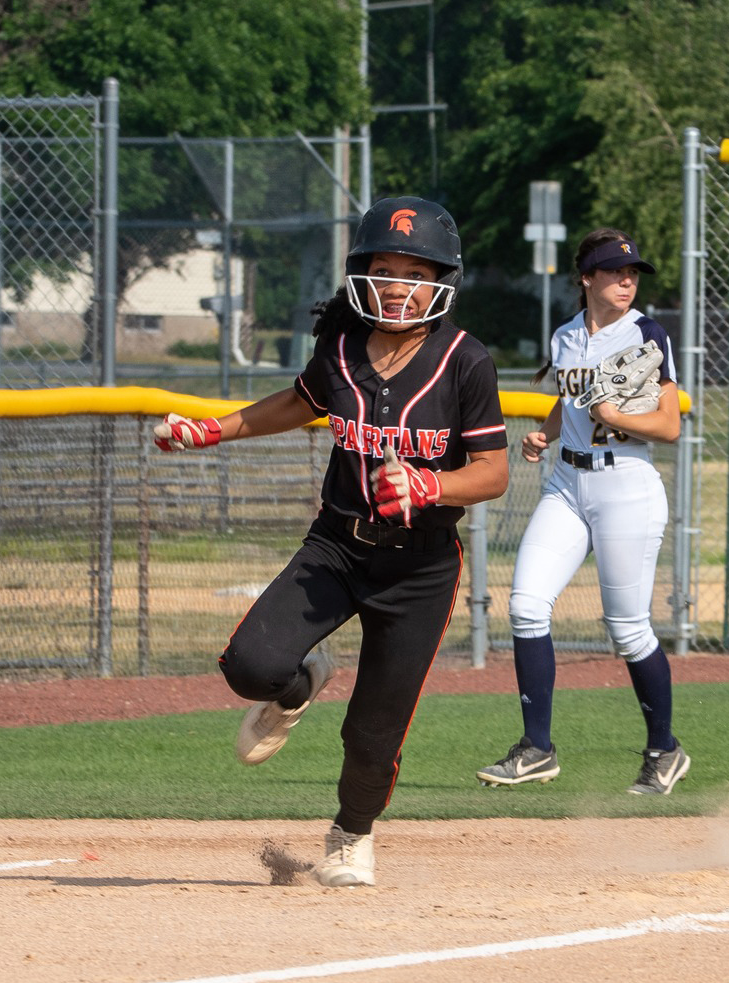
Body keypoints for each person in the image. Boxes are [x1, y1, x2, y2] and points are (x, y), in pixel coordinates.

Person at [154, 197, 509, 886]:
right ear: (360, 274)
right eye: (384, 267)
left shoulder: (466, 360)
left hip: (420, 569)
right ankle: (296, 687)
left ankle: (351, 835)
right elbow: (300, 400)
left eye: (415, 270)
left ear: (442, 280)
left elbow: (492, 472)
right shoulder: (343, 347)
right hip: (337, 548)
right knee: (250, 665)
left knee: (373, 731)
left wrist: (430, 488)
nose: (399, 283)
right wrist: (213, 427)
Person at [477, 229, 688, 796]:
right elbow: (570, 398)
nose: (627, 279)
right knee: (524, 605)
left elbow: (668, 426)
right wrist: (546, 434)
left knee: (627, 629)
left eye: (633, 272)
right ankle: (537, 748)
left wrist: (618, 414)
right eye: (615, 271)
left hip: (626, 484)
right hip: (567, 483)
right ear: (586, 278)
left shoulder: (645, 333)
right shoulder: (567, 334)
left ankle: (664, 749)